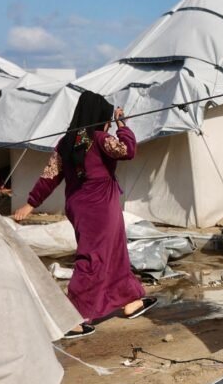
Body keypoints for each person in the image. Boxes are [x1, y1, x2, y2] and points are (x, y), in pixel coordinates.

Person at [13, 91, 156, 338]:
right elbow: (127, 150)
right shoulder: (100, 139)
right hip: (101, 208)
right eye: (107, 120)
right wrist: (123, 126)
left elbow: (50, 176)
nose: (108, 124)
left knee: (114, 253)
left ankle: (130, 300)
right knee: (93, 259)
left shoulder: (66, 143)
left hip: (80, 207)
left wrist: (31, 203)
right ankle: (73, 317)